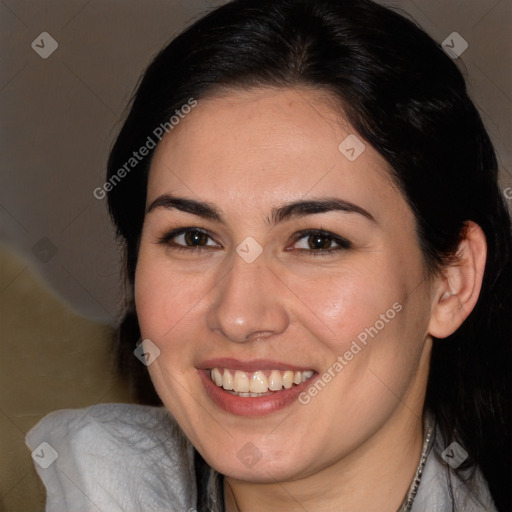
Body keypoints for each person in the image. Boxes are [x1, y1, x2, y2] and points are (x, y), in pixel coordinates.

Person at [26, 0, 511, 510]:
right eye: (194, 238)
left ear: (452, 282)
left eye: (317, 241)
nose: (238, 316)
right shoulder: (95, 485)